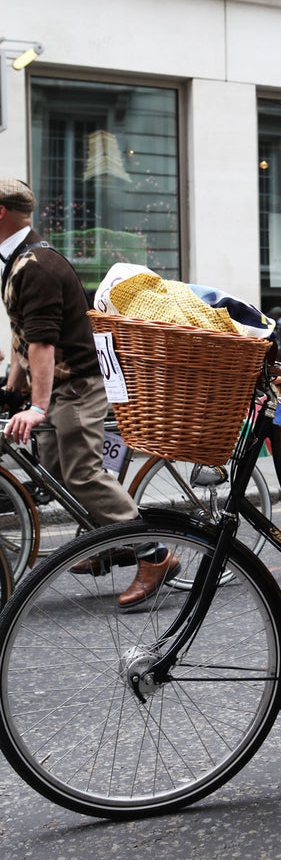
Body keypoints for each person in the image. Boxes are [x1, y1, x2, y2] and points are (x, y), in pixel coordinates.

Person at [0, 178, 179, 609]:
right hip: (57, 386)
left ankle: (154, 555)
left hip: (78, 385)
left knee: (82, 473)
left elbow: (43, 342)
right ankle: (112, 540)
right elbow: (23, 335)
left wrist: (36, 406)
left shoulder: (37, 266)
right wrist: (12, 389)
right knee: (53, 474)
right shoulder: (19, 261)